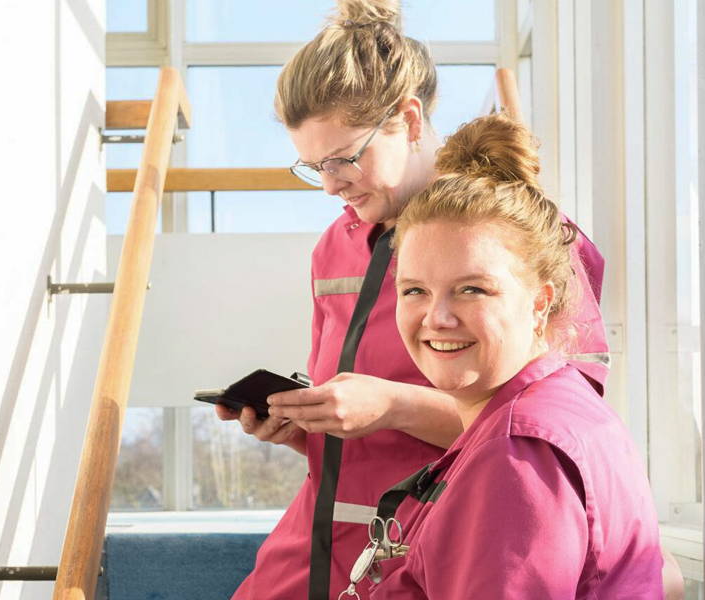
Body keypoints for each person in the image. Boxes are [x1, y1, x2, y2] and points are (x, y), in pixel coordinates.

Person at [219, 1, 609, 598]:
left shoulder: (528, 241)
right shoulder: (333, 248)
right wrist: (305, 422)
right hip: (311, 553)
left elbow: (555, 435)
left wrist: (394, 405)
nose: (329, 185)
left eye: (345, 158)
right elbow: (362, 433)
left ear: (409, 118)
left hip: (423, 554)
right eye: (313, 166)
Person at [353, 112, 663, 598]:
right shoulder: (561, 408)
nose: (437, 318)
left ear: (539, 302)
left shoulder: (517, 454)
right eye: (414, 290)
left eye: (472, 289)